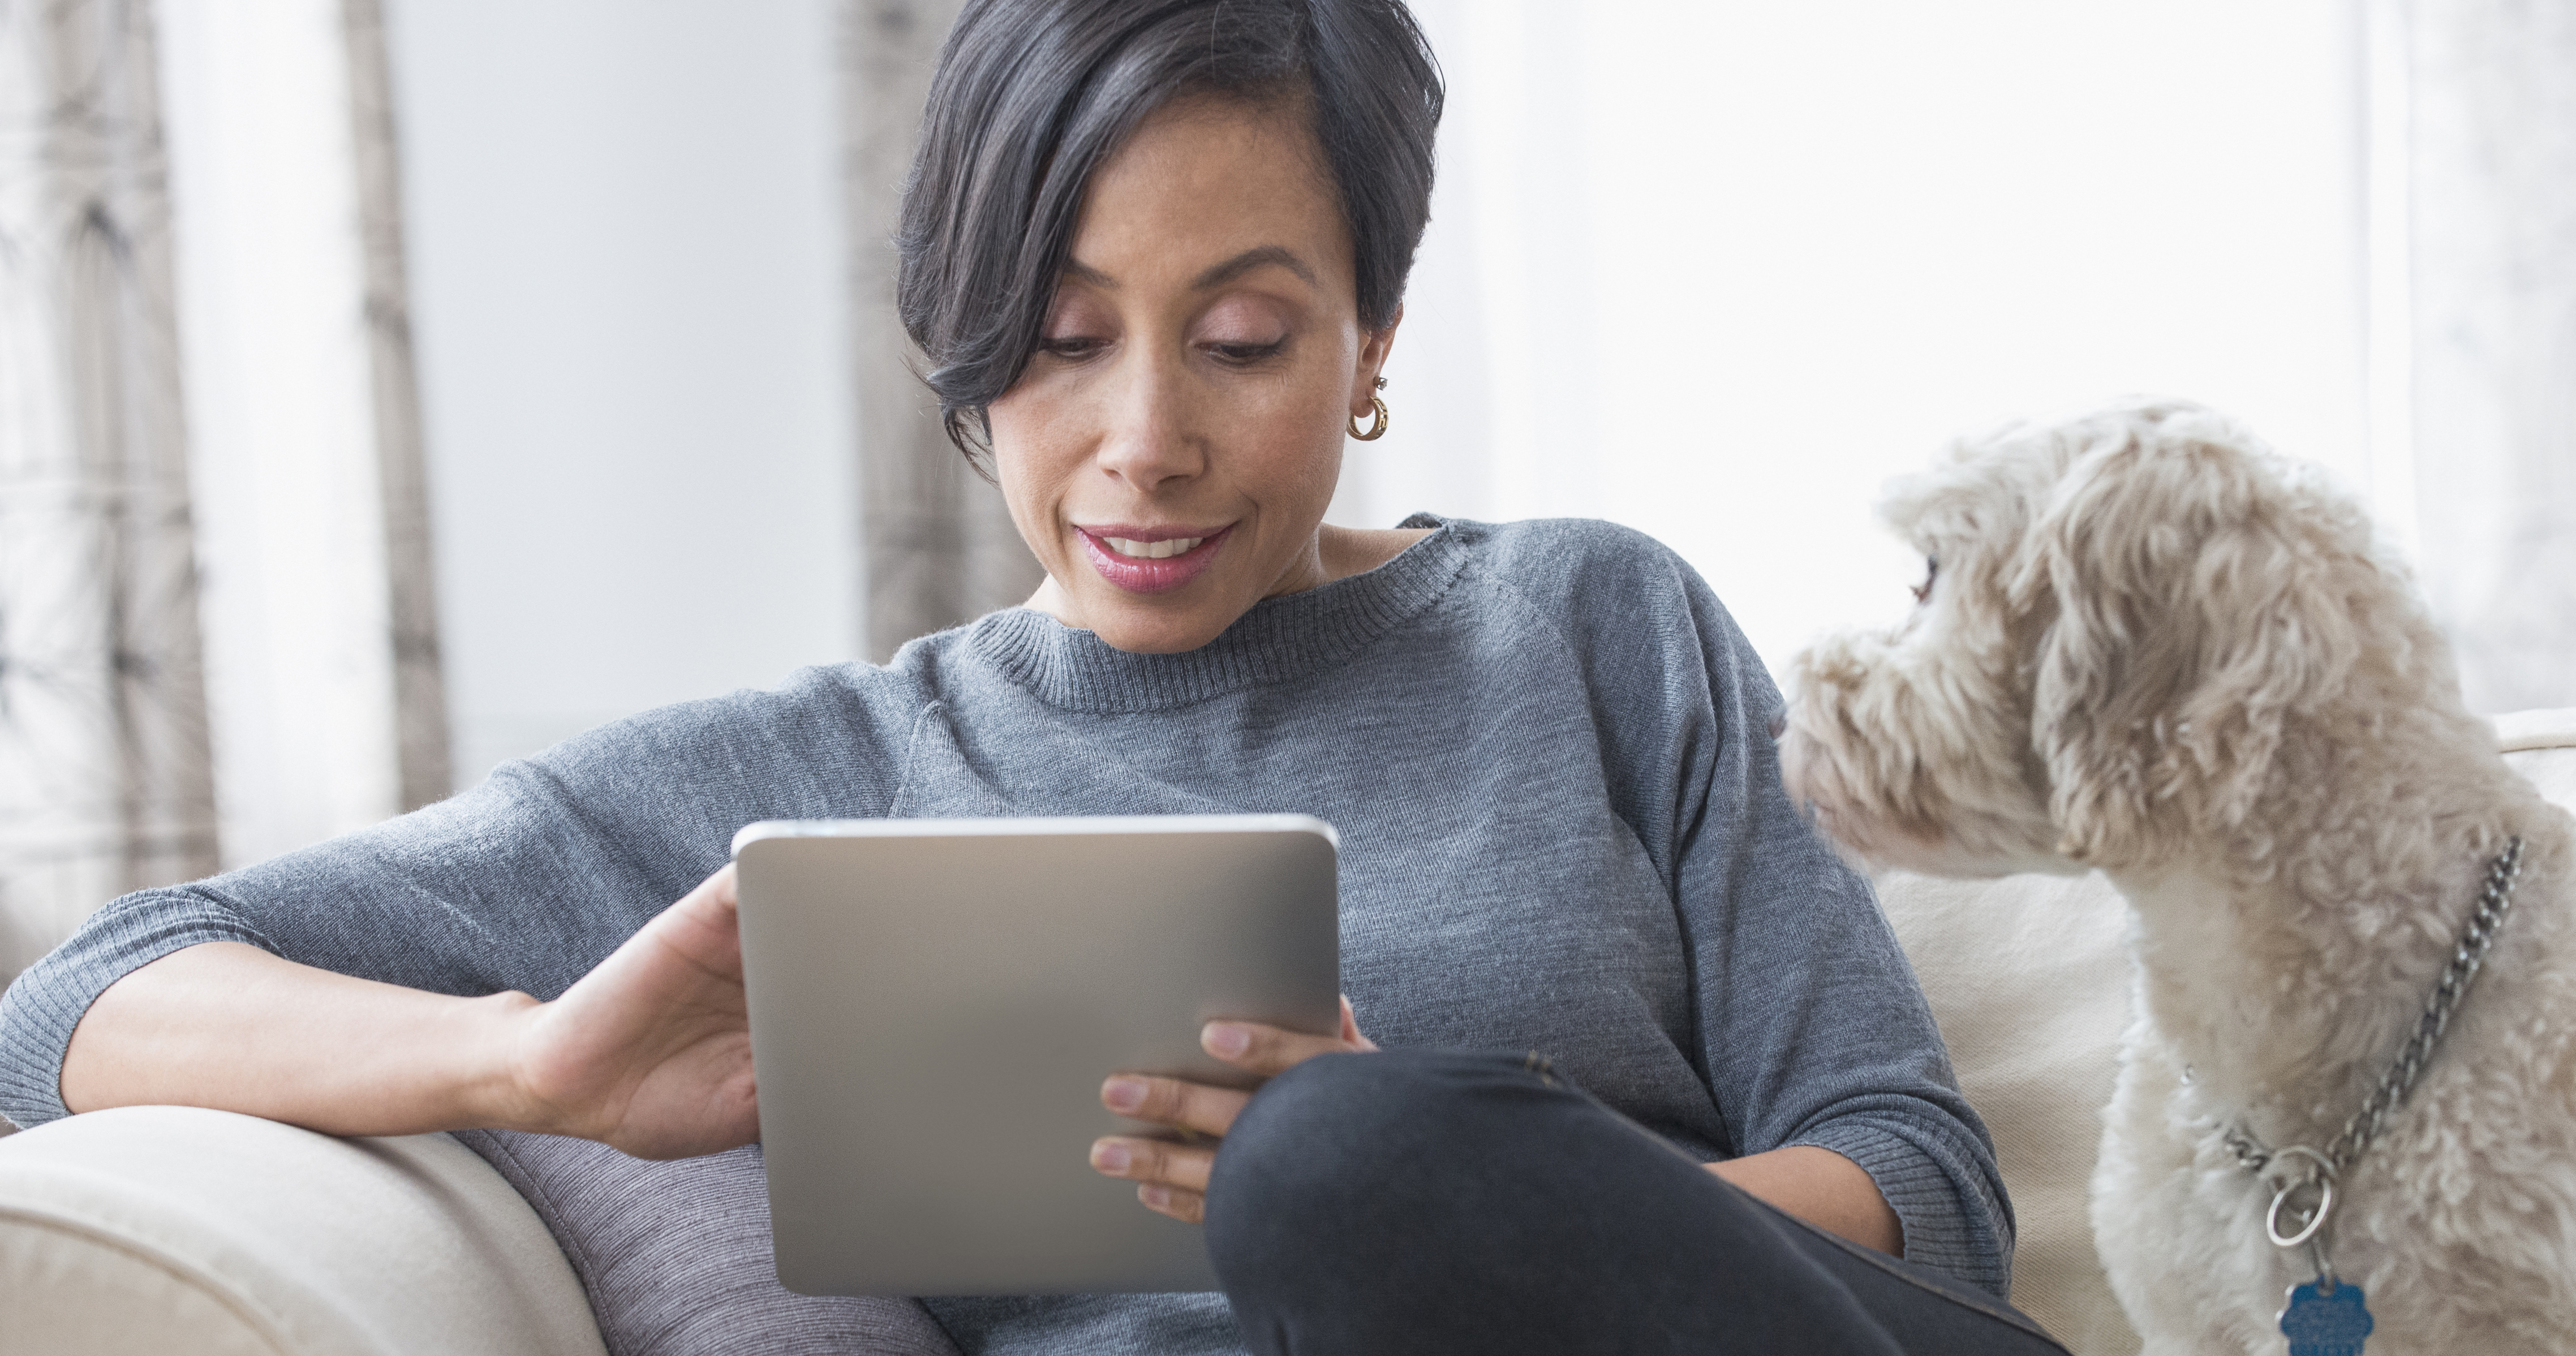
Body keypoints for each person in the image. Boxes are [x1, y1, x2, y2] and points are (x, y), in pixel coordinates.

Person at [0, 2, 2063, 1351]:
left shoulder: (1587, 628)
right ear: (965, 343)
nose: (1143, 440)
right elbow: (76, 1012)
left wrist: (1450, 1168)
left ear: (1372, 340)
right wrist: (522, 1069)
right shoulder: (807, 782)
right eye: (1063, 340)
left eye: (1242, 339)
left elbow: (1916, 1186)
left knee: (1335, 1161)